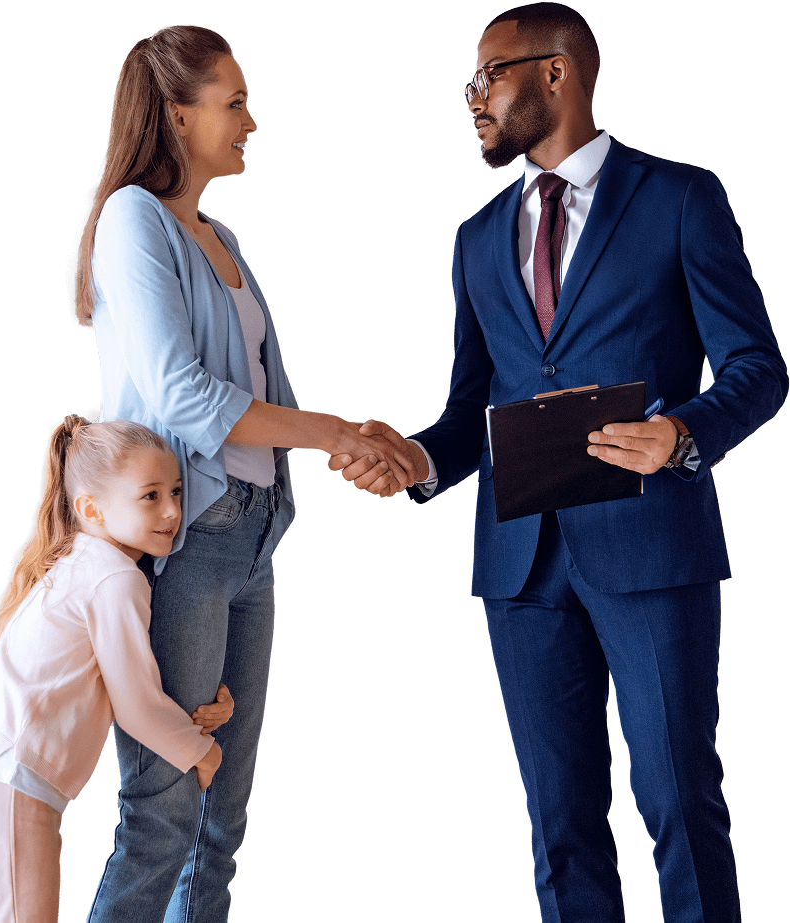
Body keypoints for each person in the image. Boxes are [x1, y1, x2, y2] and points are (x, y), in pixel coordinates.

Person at [330, 4, 787, 921]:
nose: (473, 98)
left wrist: (684, 431)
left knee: (676, 800)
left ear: (555, 74)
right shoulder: (472, 238)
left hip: (649, 544)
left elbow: (758, 368)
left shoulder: (679, 196)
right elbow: (472, 407)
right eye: (470, 81)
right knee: (558, 821)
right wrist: (416, 458)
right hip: (519, 564)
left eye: (488, 75)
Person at [66, 24, 415, 922]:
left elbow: (262, 388)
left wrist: (349, 440)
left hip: (255, 529)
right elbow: (186, 397)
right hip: (187, 538)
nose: (251, 121)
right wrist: (336, 428)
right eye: (235, 102)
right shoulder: (135, 219)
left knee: (224, 819)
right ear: (178, 116)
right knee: (165, 813)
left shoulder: (217, 233)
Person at [0, 415, 235, 923]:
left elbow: (113, 686)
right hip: (12, 789)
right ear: (90, 509)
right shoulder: (113, 579)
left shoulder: (80, 563)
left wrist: (203, 708)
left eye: (175, 491)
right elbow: (136, 705)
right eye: (150, 496)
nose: (173, 510)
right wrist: (202, 753)